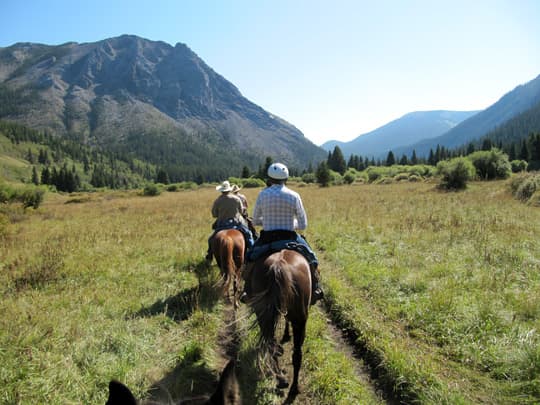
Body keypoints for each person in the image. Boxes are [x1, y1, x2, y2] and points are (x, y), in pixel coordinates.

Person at [241, 163, 323, 305]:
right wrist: (292, 223)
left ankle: (247, 290)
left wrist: (266, 221)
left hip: (267, 238)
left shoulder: (262, 194)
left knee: (249, 258)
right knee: (312, 258)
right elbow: (303, 225)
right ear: (286, 178)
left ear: (269, 179)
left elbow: (255, 221)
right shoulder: (294, 195)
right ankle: (316, 288)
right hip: (289, 236)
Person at [206, 180, 254, 261]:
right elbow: (241, 211)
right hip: (236, 223)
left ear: (221, 190)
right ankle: (252, 251)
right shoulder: (236, 199)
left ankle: (210, 254)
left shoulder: (218, 200)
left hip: (222, 224)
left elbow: (214, 214)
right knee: (249, 235)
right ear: (229, 189)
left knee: (211, 239)